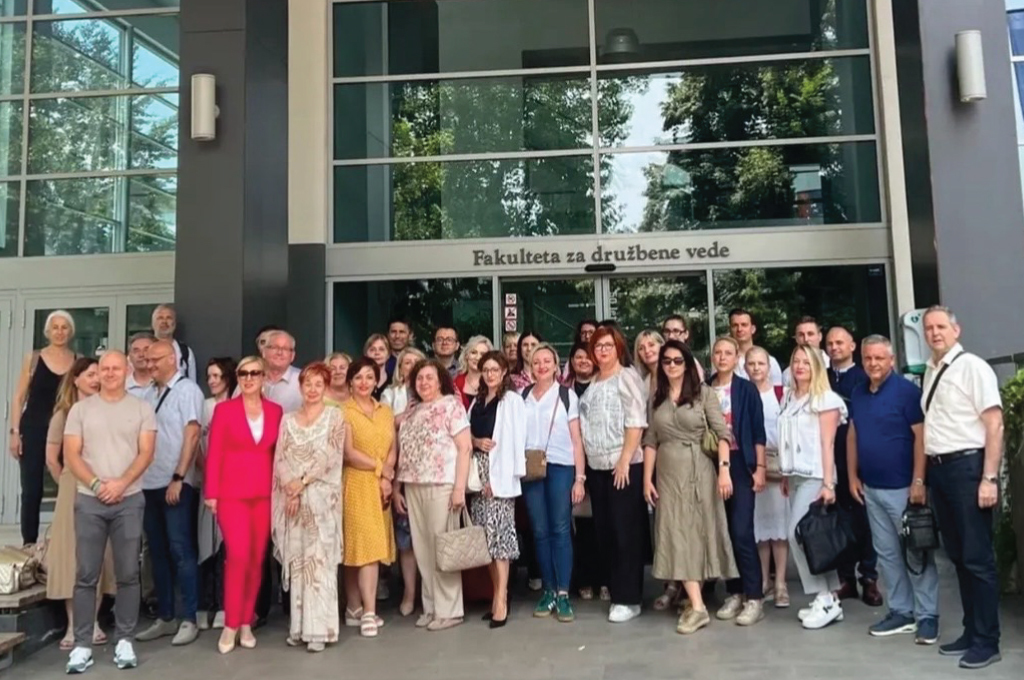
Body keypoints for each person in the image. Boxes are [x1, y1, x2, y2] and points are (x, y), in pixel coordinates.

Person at [62, 351, 156, 673]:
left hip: (128, 499)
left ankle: (125, 639)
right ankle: (82, 644)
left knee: (128, 572)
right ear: (98, 372)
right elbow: (71, 454)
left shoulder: (141, 408)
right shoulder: (80, 410)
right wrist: (96, 483)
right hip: (90, 499)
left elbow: (147, 452)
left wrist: (121, 483)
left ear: (126, 370)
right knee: (86, 574)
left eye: (116, 368)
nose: (111, 373)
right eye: (105, 368)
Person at [920, 306, 1003, 669]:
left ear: (956, 330)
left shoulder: (972, 367)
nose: (934, 333)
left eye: (941, 326)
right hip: (941, 471)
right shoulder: (931, 370)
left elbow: (995, 424)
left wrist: (989, 478)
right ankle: (972, 631)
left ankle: (988, 641)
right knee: (958, 557)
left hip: (968, 469)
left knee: (977, 558)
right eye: (929, 328)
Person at [847, 335, 938, 644]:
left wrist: (918, 480)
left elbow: (920, 438)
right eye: (868, 358)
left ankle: (928, 616)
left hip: (904, 489)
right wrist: (852, 476)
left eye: (879, 358)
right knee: (887, 554)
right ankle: (901, 612)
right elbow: (853, 435)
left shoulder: (907, 393)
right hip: (871, 488)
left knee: (916, 553)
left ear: (891, 360)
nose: (873, 363)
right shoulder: (858, 393)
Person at [643, 340, 736, 634]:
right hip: (668, 476)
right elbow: (651, 440)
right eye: (666, 361)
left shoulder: (703, 393)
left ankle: (697, 605)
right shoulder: (657, 397)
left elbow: (722, 434)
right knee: (674, 534)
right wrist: (647, 479)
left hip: (699, 472)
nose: (671, 365)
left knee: (697, 534)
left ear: (687, 363)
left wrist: (724, 471)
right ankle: (696, 604)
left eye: (677, 360)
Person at [204, 356, 282, 654]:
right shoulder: (224, 410)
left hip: (264, 494)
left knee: (256, 559)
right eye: (243, 373)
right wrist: (212, 493)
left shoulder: (275, 411)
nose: (249, 378)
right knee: (237, 556)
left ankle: (247, 621)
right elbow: (215, 453)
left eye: (255, 373)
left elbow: (279, 454)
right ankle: (230, 623)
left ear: (263, 377)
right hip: (231, 495)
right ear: (237, 377)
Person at [134, 340, 205, 647]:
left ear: (173, 359)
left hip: (175, 483)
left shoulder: (187, 390)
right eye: (146, 359)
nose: (149, 364)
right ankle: (165, 617)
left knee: (181, 550)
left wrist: (179, 476)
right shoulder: (148, 394)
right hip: (147, 484)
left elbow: (192, 433)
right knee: (157, 552)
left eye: (155, 359)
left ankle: (189, 617)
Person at [272, 363, 346, 652]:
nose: (312, 389)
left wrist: (301, 482)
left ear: (325, 388)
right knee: (299, 562)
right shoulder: (287, 420)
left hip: (322, 500)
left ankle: (320, 630)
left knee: (320, 563)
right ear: (300, 387)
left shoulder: (335, 417)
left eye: (318, 384)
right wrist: (290, 488)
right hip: (293, 500)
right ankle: (299, 626)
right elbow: (280, 457)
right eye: (308, 384)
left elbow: (330, 456)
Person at [394, 359, 472, 632]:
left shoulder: (452, 405)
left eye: (429, 377)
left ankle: (450, 610)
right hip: (413, 484)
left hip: (442, 484)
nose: (424, 382)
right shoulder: (412, 411)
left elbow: (464, 448)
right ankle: (431, 607)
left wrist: (459, 488)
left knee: (441, 547)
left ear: (440, 380)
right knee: (422, 549)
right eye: (419, 378)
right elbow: (403, 451)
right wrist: (397, 488)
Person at [44, 358, 115, 650]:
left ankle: (94, 621)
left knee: (99, 554)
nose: (96, 379)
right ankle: (73, 626)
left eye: (98, 374)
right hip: (73, 487)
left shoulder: (109, 411)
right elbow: (52, 458)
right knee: (71, 555)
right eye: (90, 374)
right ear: (75, 379)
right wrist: (67, 483)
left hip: (104, 486)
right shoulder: (63, 414)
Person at [579, 326, 648, 623]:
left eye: (608, 345)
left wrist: (624, 460)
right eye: (598, 346)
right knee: (605, 531)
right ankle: (617, 588)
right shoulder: (594, 382)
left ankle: (629, 598)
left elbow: (636, 421)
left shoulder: (626, 377)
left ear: (618, 348)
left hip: (623, 466)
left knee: (625, 533)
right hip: (597, 467)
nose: (603, 350)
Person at [778, 344, 847, 630]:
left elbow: (827, 444)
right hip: (795, 476)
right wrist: (785, 475)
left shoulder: (825, 399)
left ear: (817, 366)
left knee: (798, 534)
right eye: (796, 361)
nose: (800, 366)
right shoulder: (789, 398)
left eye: (806, 362)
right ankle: (830, 598)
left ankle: (823, 597)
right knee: (813, 537)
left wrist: (829, 484)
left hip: (817, 476)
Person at [519, 344, 585, 623]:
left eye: (547, 361)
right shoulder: (522, 396)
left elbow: (577, 440)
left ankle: (563, 593)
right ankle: (548, 589)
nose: (542, 366)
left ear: (556, 365)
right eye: (537, 362)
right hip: (532, 468)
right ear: (530, 367)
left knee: (560, 528)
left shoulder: (566, 395)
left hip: (561, 466)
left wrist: (580, 478)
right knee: (539, 531)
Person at [707, 336, 767, 626]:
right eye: (718, 352)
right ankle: (734, 591)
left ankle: (754, 597)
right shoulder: (704, 388)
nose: (722, 357)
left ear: (736, 358)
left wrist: (760, 467)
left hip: (741, 464)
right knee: (724, 532)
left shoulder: (746, 389)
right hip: (710, 465)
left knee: (742, 531)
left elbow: (758, 431)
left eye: (728, 353)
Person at [468, 350, 527, 628]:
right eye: (486, 370)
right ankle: (496, 596)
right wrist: (476, 441)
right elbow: (467, 433)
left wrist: (498, 479)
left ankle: (502, 599)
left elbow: (516, 442)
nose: (490, 374)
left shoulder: (512, 401)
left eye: (495, 369)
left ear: (504, 372)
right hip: (477, 478)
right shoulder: (477, 401)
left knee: (501, 541)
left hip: (498, 477)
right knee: (486, 542)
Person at [9, 309, 77, 546]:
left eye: (64, 327)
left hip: (66, 429)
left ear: (70, 332)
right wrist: (15, 432)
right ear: (47, 331)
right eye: (55, 327)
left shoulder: (77, 360)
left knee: (68, 484)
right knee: (32, 489)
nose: (60, 332)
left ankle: (65, 541)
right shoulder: (34, 358)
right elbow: (19, 397)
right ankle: (29, 544)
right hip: (34, 427)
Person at [341, 357, 397, 638]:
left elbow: (393, 448)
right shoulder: (343, 412)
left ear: (377, 381)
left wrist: (387, 477)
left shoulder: (385, 410)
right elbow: (348, 453)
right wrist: (380, 469)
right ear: (350, 382)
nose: (364, 382)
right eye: (358, 377)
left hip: (381, 486)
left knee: (364, 549)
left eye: (369, 377)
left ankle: (354, 608)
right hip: (356, 483)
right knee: (363, 549)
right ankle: (368, 612)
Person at [825, 325, 879, 605]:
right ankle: (845, 578)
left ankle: (869, 578)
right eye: (830, 343)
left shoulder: (863, 377)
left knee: (864, 520)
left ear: (852, 346)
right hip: (828, 459)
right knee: (838, 521)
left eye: (839, 342)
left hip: (858, 459)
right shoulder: (821, 377)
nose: (834, 347)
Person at [380, 347, 426, 617]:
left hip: (429, 474)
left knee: (428, 537)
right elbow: (383, 428)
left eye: (416, 362)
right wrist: (403, 416)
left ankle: (429, 592)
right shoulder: (391, 394)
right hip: (400, 471)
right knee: (406, 537)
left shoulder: (434, 392)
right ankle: (409, 592)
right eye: (406, 362)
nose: (411, 366)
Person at [746, 347, 790, 608]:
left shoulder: (781, 394)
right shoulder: (743, 394)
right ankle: (764, 580)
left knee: (779, 529)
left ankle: (781, 582)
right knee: (760, 529)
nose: (756, 368)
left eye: (760, 363)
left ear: (769, 367)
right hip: (752, 466)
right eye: (751, 364)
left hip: (777, 465)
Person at [197, 358, 237, 631]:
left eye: (217, 376)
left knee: (227, 546)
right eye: (209, 376)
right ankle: (205, 603)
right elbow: (196, 443)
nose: (211, 381)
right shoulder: (205, 406)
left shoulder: (236, 406)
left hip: (232, 484)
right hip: (208, 484)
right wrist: (208, 472)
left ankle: (224, 605)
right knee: (205, 544)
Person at [728, 309, 782, 386]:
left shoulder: (770, 361)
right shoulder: (726, 362)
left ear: (753, 329)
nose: (739, 329)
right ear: (730, 329)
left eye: (744, 325)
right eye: (735, 325)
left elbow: (778, 390)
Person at [151, 304, 197, 380]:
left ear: (174, 323)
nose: (164, 321)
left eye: (169, 318)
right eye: (160, 318)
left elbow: (192, 382)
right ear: (152, 324)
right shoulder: (144, 349)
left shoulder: (185, 352)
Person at [781, 317, 831, 385]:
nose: (806, 339)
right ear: (796, 339)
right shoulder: (788, 374)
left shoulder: (832, 366)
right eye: (801, 335)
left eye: (810, 334)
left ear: (820, 336)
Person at [262, 330, 302, 413]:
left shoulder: (303, 380)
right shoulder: (250, 377)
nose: (279, 352)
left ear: (292, 356)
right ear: (264, 352)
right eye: (275, 347)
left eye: (285, 349)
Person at [381, 348, 425, 419]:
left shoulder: (434, 391)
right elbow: (382, 422)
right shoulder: (389, 394)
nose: (413, 365)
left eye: (417, 362)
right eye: (408, 363)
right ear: (400, 369)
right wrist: (404, 414)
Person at [454, 336, 493, 410]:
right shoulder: (455, 384)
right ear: (466, 355)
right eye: (473, 352)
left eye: (483, 354)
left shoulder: (493, 383)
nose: (477, 357)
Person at [661, 315, 705, 379]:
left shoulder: (692, 365)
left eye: (676, 331)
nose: (671, 336)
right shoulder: (659, 360)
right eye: (667, 331)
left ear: (686, 334)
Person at [633, 330, 664, 402]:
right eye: (641, 348)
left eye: (651, 345)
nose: (647, 351)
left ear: (662, 346)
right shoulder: (643, 381)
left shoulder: (672, 375)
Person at [126, 332, 156, 400]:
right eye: (136, 351)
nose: (141, 355)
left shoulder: (164, 385)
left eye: (146, 350)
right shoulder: (122, 387)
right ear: (129, 356)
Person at [363, 334, 392, 399]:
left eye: (381, 349)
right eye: (372, 350)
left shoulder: (393, 382)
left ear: (388, 354)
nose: (377, 353)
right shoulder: (359, 381)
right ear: (366, 354)